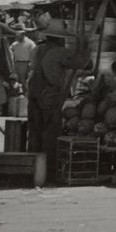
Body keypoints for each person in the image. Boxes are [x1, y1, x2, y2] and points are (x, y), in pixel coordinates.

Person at [26, 15, 90, 182]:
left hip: (33, 93)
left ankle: (31, 170)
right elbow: (82, 63)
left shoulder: (37, 50)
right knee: (51, 132)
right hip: (49, 95)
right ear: (60, 39)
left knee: (35, 132)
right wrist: (85, 46)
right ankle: (48, 172)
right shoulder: (58, 52)